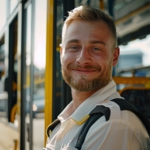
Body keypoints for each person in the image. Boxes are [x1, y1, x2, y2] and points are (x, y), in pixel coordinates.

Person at [45, 6, 149, 150]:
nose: (82, 59)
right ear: (61, 53)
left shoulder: (113, 124)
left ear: (114, 56)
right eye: (74, 47)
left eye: (95, 48)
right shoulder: (66, 119)